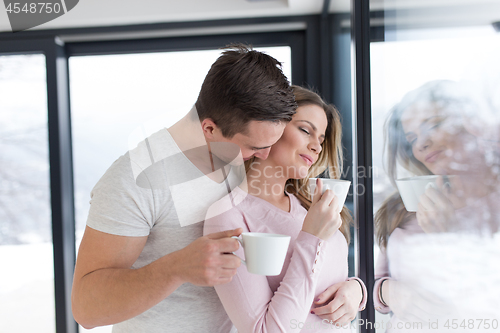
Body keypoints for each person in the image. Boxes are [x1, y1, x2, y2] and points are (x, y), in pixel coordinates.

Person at [71, 44, 298, 332]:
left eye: (270, 145)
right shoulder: (135, 178)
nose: (265, 156)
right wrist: (176, 268)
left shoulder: (241, 161)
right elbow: (86, 309)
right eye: (255, 147)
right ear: (210, 129)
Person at [204, 85, 367, 332]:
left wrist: (356, 290)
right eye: (305, 130)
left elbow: (328, 275)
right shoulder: (228, 216)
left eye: (321, 139)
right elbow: (264, 330)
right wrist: (311, 237)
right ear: (270, 128)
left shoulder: (308, 205)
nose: (317, 147)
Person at [373, 80, 500, 331]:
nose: (421, 144)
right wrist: (390, 292)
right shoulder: (404, 204)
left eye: (433, 126)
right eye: (412, 138)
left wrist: (449, 237)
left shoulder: (492, 206)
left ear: (469, 122)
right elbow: (375, 281)